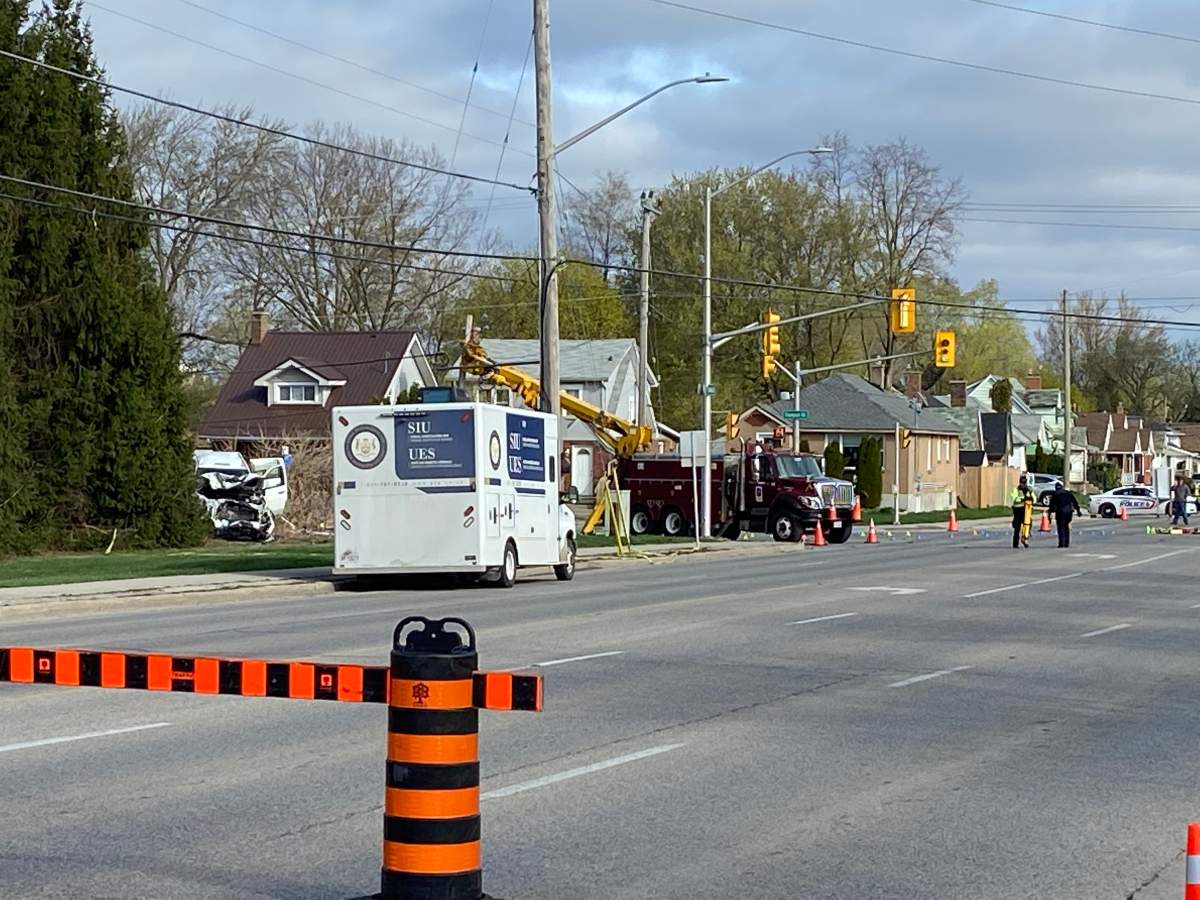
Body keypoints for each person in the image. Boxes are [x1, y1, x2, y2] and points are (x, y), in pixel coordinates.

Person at [1047, 482, 1081, 548]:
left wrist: (1050, 514)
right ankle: (1066, 543)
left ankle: (1061, 543)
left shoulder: (1055, 494)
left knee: (1061, 528)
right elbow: (1075, 502)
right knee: (1066, 527)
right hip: (1069, 512)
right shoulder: (1068, 493)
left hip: (1060, 512)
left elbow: (1052, 506)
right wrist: (1078, 511)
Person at [1010, 475, 1035, 549]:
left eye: (1024, 483)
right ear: (1019, 482)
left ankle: (1025, 538)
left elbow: (1034, 499)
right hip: (1018, 510)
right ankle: (1015, 544)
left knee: (1027, 524)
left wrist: (1031, 498)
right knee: (1017, 527)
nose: (1023, 484)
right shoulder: (1016, 490)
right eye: (1022, 482)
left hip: (1026, 510)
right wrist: (1022, 499)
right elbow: (1014, 499)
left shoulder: (1029, 490)